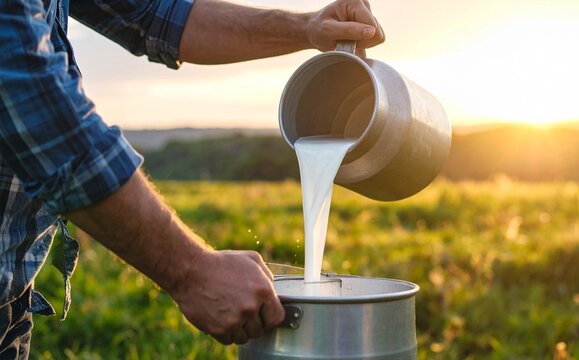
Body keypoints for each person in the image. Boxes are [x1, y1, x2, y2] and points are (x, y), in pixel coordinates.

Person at [0, 0, 384, 356]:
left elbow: (155, 13)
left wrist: (307, 27)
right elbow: (26, 91)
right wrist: (190, 270)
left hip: (12, 297)